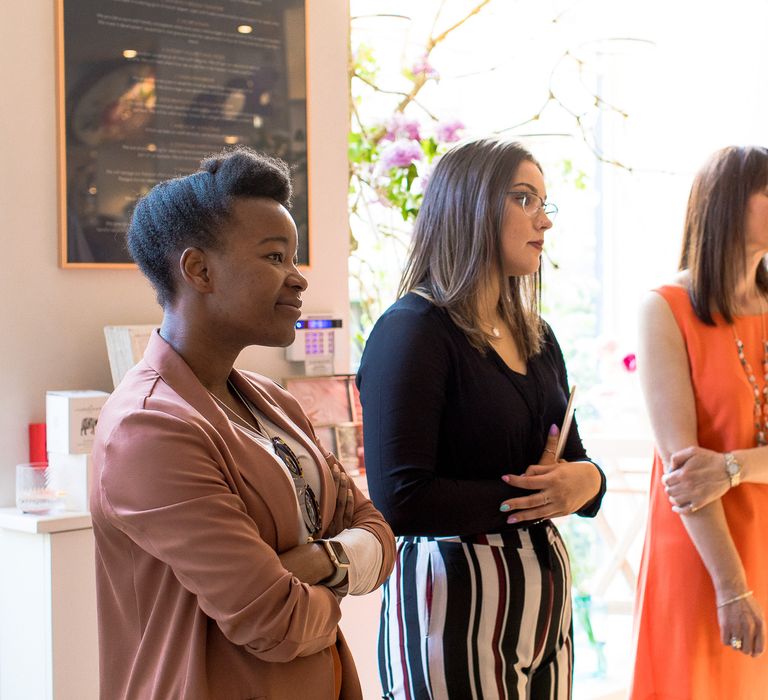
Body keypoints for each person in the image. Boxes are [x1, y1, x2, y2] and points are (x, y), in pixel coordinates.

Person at [90, 146, 396, 700]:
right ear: (199, 269)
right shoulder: (149, 427)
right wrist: (341, 579)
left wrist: (320, 560)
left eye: (294, 258)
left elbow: (378, 532)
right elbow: (273, 623)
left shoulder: (272, 401)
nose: (298, 279)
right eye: (275, 257)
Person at [356, 137, 606, 700]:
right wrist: (535, 499)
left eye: (545, 202)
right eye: (523, 199)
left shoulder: (537, 338)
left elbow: (575, 464)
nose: (543, 219)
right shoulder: (412, 331)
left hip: (542, 600)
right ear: (468, 207)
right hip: (454, 596)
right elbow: (402, 500)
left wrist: (587, 482)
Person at [631, 145, 768, 699]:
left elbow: (714, 469)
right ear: (729, 204)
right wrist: (732, 588)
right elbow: (684, 471)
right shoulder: (664, 308)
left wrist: (733, 467)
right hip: (703, 552)